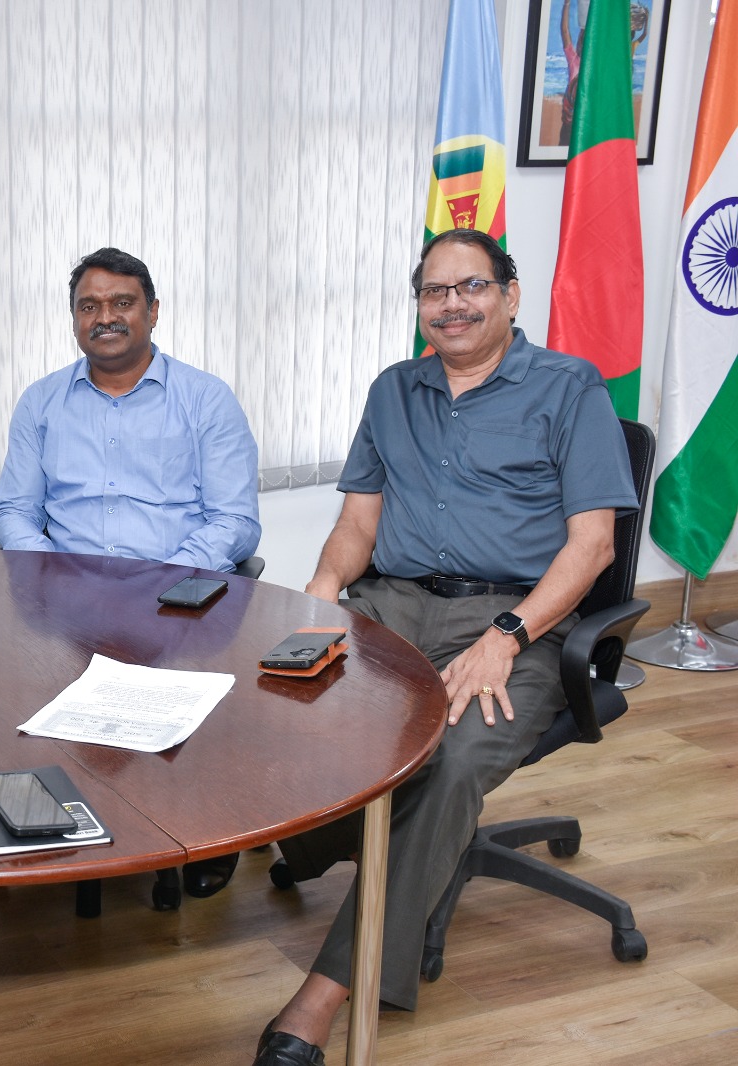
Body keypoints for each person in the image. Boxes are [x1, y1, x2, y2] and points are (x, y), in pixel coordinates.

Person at [251, 229, 638, 1066]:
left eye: (471, 287)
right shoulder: (394, 390)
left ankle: (323, 996)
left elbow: (593, 546)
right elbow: (358, 523)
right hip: (391, 604)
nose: (452, 305)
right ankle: (351, 847)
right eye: (435, 291)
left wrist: (508, 635)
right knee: (283, 705)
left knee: (450, 762)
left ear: (510, 294)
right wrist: (321, 594)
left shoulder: (570, 388)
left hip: (516, 621)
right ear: (420, 304)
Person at [0, 245, 260, 895]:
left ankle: (209, 828)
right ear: (73, 319)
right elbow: (14, 512)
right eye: (89, 306)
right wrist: (53, 573)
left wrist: (165, 577)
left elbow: (234, 521)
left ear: (153, 311)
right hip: (69, 603)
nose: (105, 317)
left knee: (190, 722)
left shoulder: (205, 399)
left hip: (178, 600)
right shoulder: (42, 402)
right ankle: (49, 831)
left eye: (121, 303)